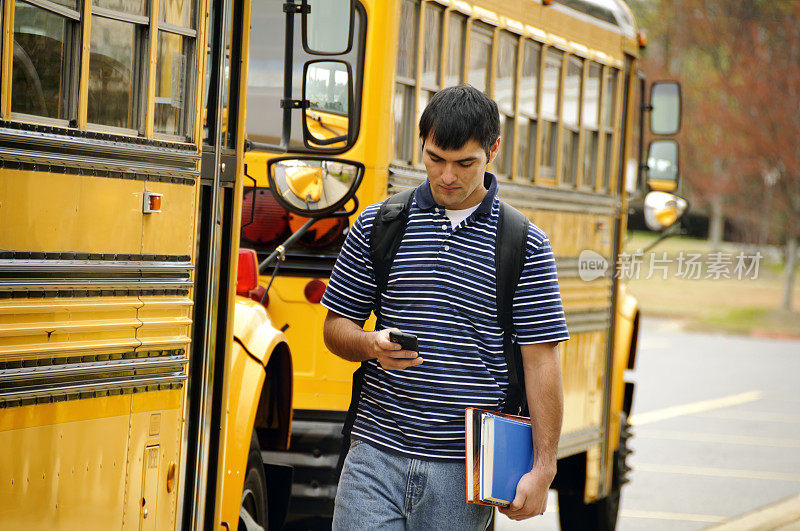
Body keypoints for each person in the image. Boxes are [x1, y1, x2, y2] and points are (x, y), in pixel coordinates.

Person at [321, 84, 570, 530]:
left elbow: (540, 362)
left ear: (493, 150)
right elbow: (335, 327)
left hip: (465, 473)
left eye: (464, 163)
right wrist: (371, 344)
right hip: (375, 453)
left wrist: (544, 466)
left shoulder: (524, 244)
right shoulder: (380, 225)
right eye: (435, 158)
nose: (447, 176)